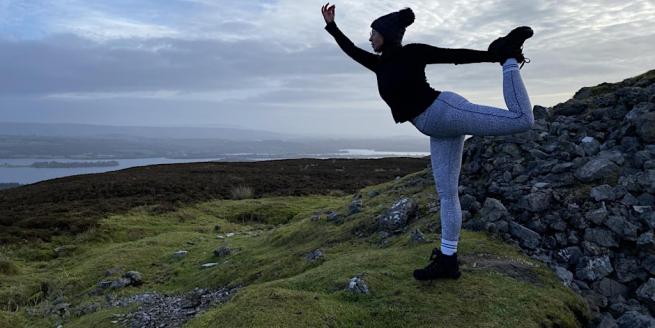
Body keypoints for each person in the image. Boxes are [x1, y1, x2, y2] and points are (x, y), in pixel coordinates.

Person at [321, 3, 535, 281]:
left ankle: (509, 59)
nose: (370, 38)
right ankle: (448, 261)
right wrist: (332, 26)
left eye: (373, 32)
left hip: (445, 111)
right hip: (437, 128)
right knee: (447, 194)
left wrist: (496, 56)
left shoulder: (412, 52)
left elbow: (453, 56)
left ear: (386, 34)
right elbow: (350, 49)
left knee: (522, 120)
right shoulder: (378, 64)